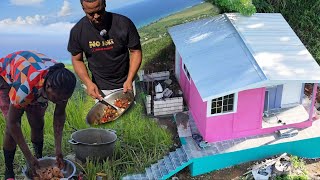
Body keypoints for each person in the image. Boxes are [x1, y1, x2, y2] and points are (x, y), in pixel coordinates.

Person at [0, 51, 77, 180]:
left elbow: (59, 115)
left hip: (35, 79)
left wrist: (58, 149)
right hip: (6, 77)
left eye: (64, 99)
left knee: (37, 124)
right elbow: (13, 123)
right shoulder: (25, 89)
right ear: (48, 87)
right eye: (57, 99)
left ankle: (39, 159)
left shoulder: (63, 86)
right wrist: (28, 157)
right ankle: (9, 171)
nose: (60, 102)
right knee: (10, 132)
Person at [68, 0, 142, 99]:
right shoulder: (77, 31)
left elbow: (135, 51)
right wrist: (88, 83)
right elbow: (77, 60)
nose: (96, 16)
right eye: (91, 13)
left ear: (105, 4)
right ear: (83, 9)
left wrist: (130, 79)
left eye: (100, 11)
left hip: (129, 81)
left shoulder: (124, 23)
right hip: (101, 89)